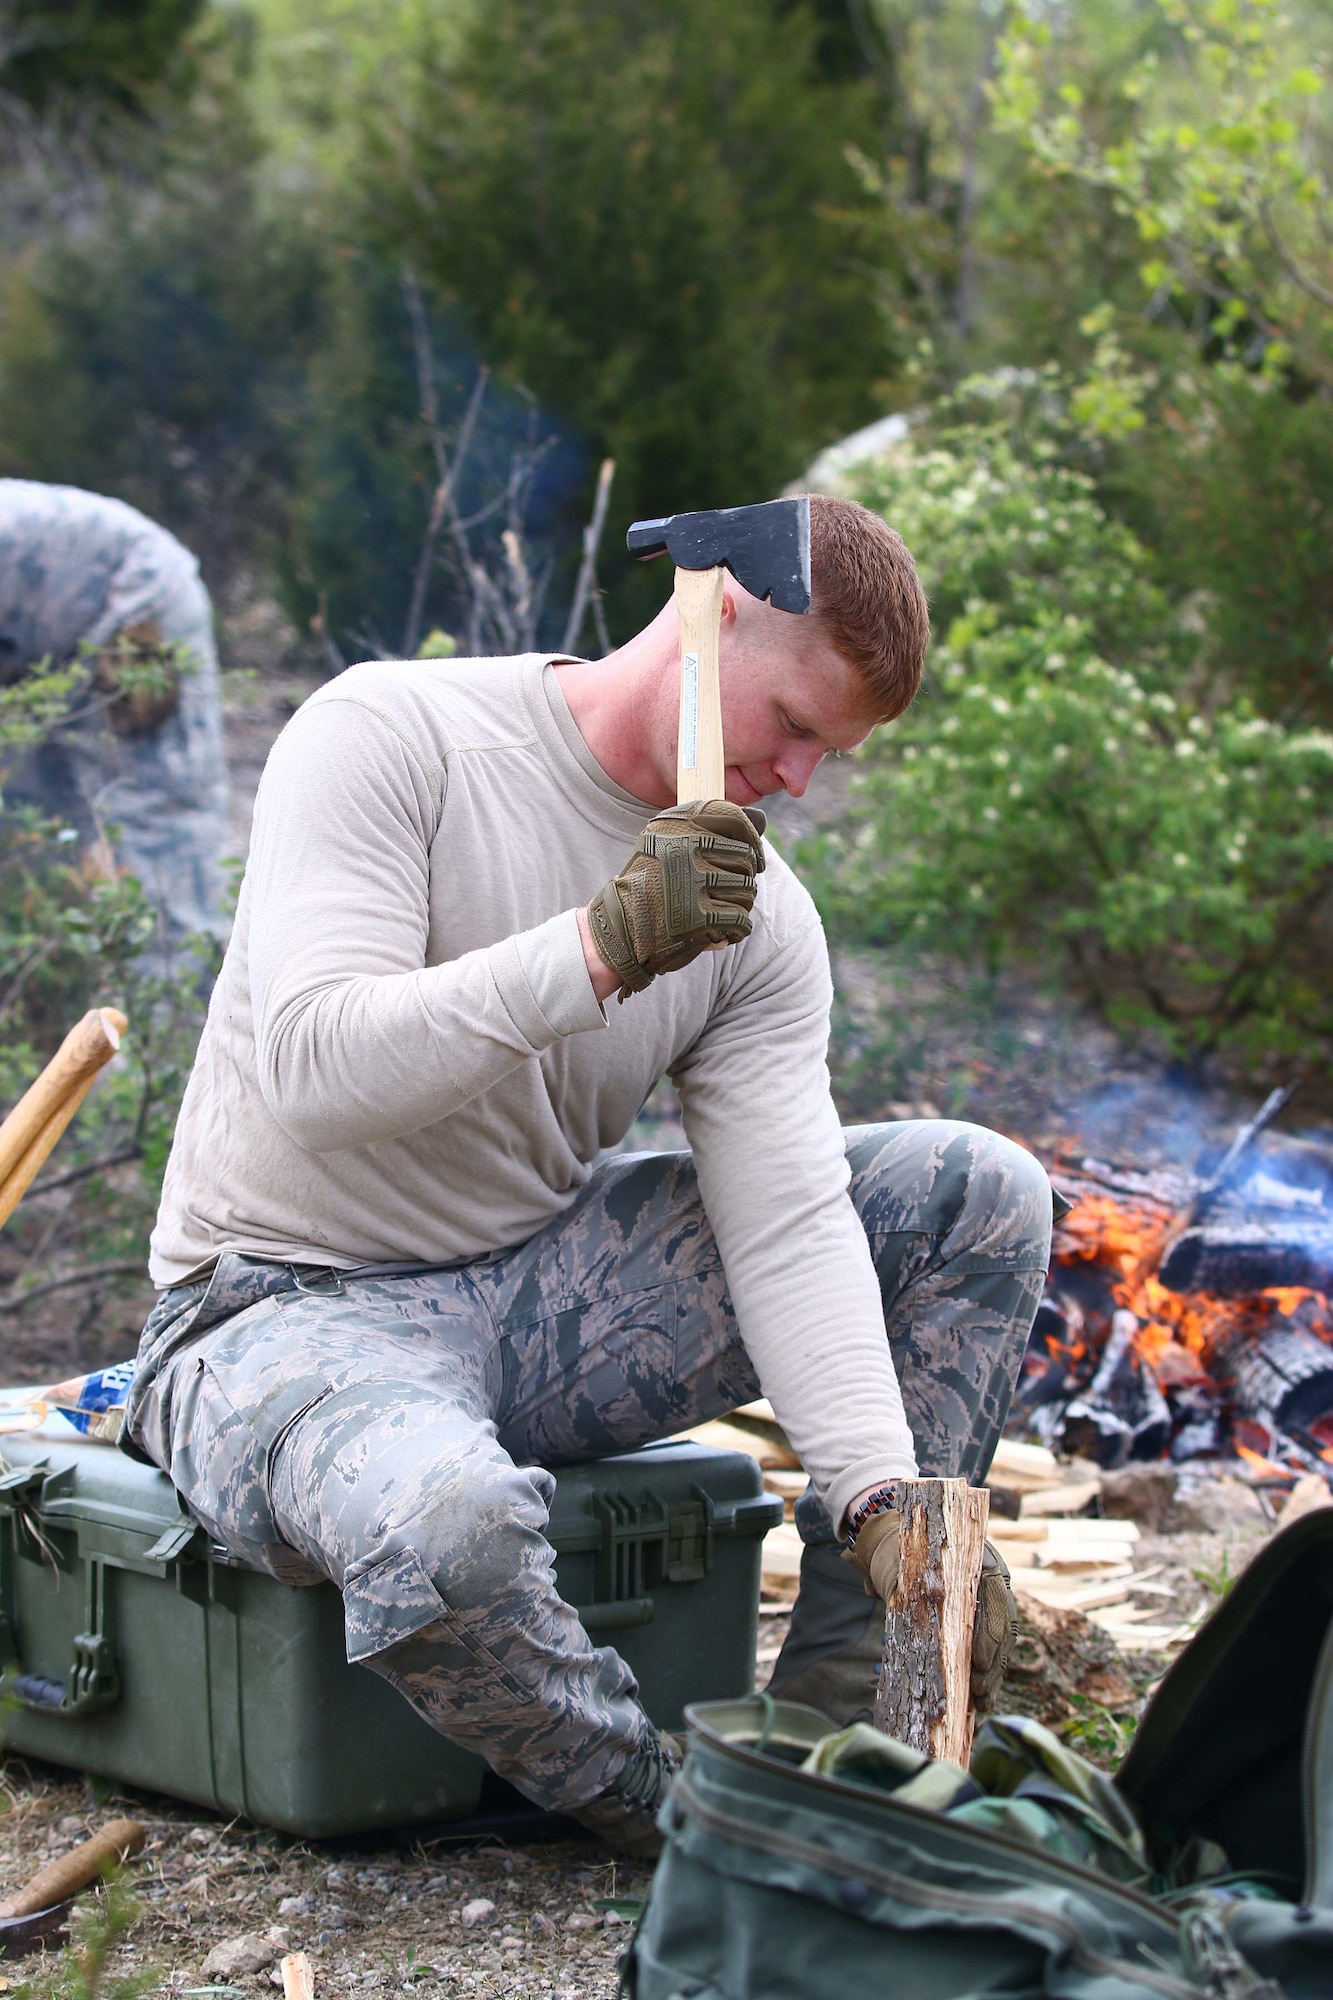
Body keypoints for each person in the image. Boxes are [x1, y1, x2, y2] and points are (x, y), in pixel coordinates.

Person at [124, 495, 1057, 1853]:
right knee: (446, 1532)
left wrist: (872, 1495)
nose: (799, 781)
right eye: (795, 727)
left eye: (830, 755)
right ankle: (667, 1814)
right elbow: (318, 1076)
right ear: (708, 613)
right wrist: (601, 950)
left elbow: (790, 1222)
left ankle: (851, 1747)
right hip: (274, 1308)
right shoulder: (390, 736)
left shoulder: (755, 915)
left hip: (528, 1290)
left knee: (976, 1190)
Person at [0, 480, 229, 945]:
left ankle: (184, 1003)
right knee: (28, 828)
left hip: (133, 598)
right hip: (29, 645)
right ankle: (55, 993)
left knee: (155, 828)